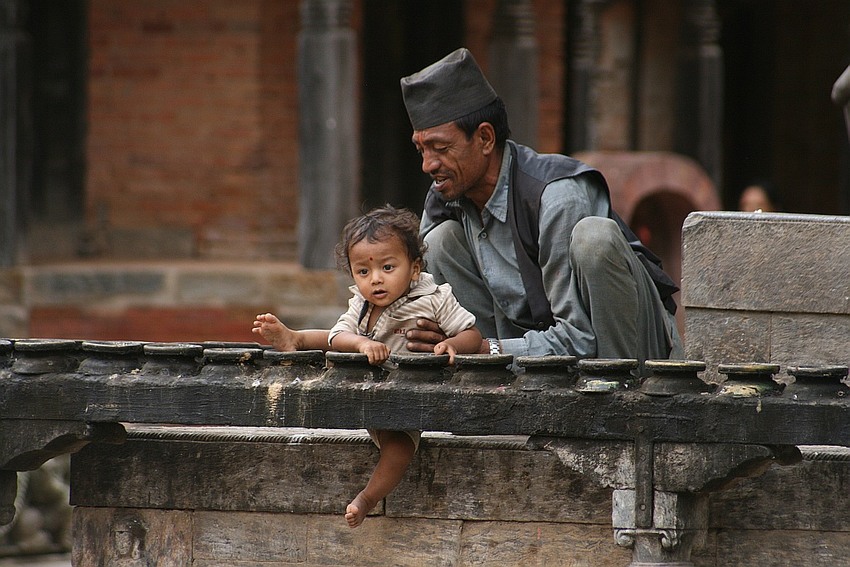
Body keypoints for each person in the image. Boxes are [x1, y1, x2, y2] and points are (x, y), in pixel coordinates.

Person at [399, 47, 683, 364]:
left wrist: (486, 348)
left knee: (595, 237)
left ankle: (618, 387)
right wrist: (430, 332)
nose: (427, 164)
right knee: (439, 241)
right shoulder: (447, 191)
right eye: (421, 149)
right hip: (532, 356)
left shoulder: (556, 195)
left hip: (624, 350)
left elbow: (581, 337)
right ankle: (486, 381)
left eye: (440, 148)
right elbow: (413, 292)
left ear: (485, 139)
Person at [252, 204, 482, 528]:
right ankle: (296, 338)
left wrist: (451, 345)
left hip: (408, 399)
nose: (376, 280)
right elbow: (338, 335)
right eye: (363, 272)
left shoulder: (434, 297)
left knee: (400, 446)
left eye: (388, 267)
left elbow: (473, 333)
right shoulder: (363, 304)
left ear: (414, 268)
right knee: (333, 336)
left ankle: (368, 497)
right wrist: (362, 343)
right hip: (366, 387)